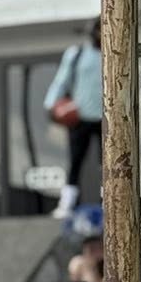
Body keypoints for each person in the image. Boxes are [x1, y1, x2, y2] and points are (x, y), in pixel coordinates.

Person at [45, 19, 103, 219]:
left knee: (108, 164)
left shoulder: (116, 54)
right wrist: (51, 105)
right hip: (80, 117)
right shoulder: (77, 54)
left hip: (107, 119)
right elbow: (62, 80)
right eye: (98, 29)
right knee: (75, 162)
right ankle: (66, 204)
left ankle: (111, 202)